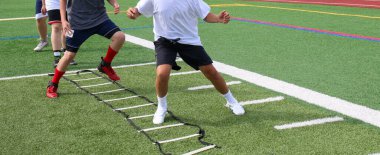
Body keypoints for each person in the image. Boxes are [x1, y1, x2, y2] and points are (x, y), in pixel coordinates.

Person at [127, 0, 245, 124]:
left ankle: (231, 101)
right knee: (162, 73)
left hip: (189, 41)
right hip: (165, 41)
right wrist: (132, 13)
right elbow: (137, 12)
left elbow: (205, 15)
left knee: (211, 72)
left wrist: (218, 18)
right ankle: (162, 107)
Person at [46, 0, 125, 98]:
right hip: (77, 23)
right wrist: (63, 20)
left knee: (119, 37)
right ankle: (53, 84)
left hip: (100, 19)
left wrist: (114, 3)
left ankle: (105, 65)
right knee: (69, 55)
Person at [41, 0, 77, 66]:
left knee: (68, 26)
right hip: (53, 2)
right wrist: (43, 4)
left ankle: (68, 54)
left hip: (69, 2)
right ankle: (57, 57)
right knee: (56, 26)